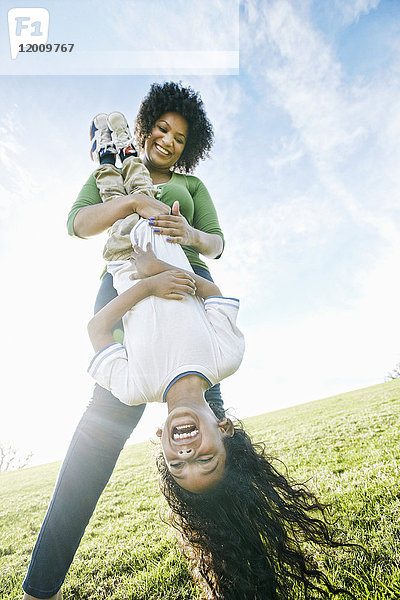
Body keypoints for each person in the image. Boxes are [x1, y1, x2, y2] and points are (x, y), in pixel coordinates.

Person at [22, 81, 225, 600]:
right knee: (95, 443)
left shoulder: (190, 188)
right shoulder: (104, 176)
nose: (168, 140)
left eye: (180, 137)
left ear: (188, 145)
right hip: (124, 292)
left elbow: (217, 243)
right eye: (161, 128)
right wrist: (132, 200)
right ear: (146, 126)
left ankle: (230, 573)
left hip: (189, 297)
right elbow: (78, 223)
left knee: (211, 450)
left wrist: (190, 237)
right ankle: (38, 589)